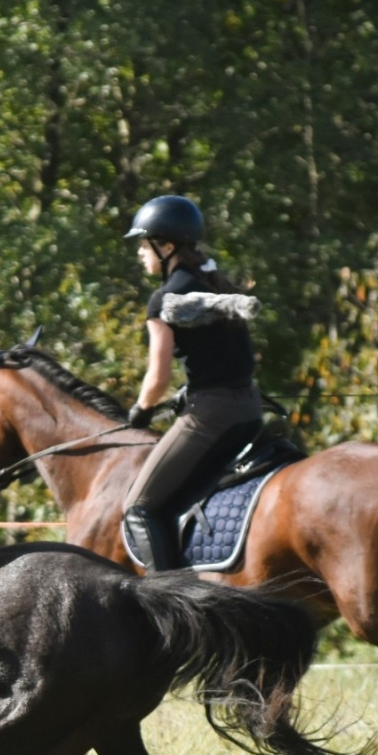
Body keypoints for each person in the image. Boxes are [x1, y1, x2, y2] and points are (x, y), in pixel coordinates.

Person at [120, 195, 263, 570]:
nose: (140, 254)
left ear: (166, 247)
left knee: (138, 508)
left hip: (211, 417)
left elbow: (157, 378)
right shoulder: (217, 283)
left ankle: (165, 596)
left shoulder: (164, 299)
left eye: (144, 245)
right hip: (251, 410)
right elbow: (225, 358)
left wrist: (141, 411)